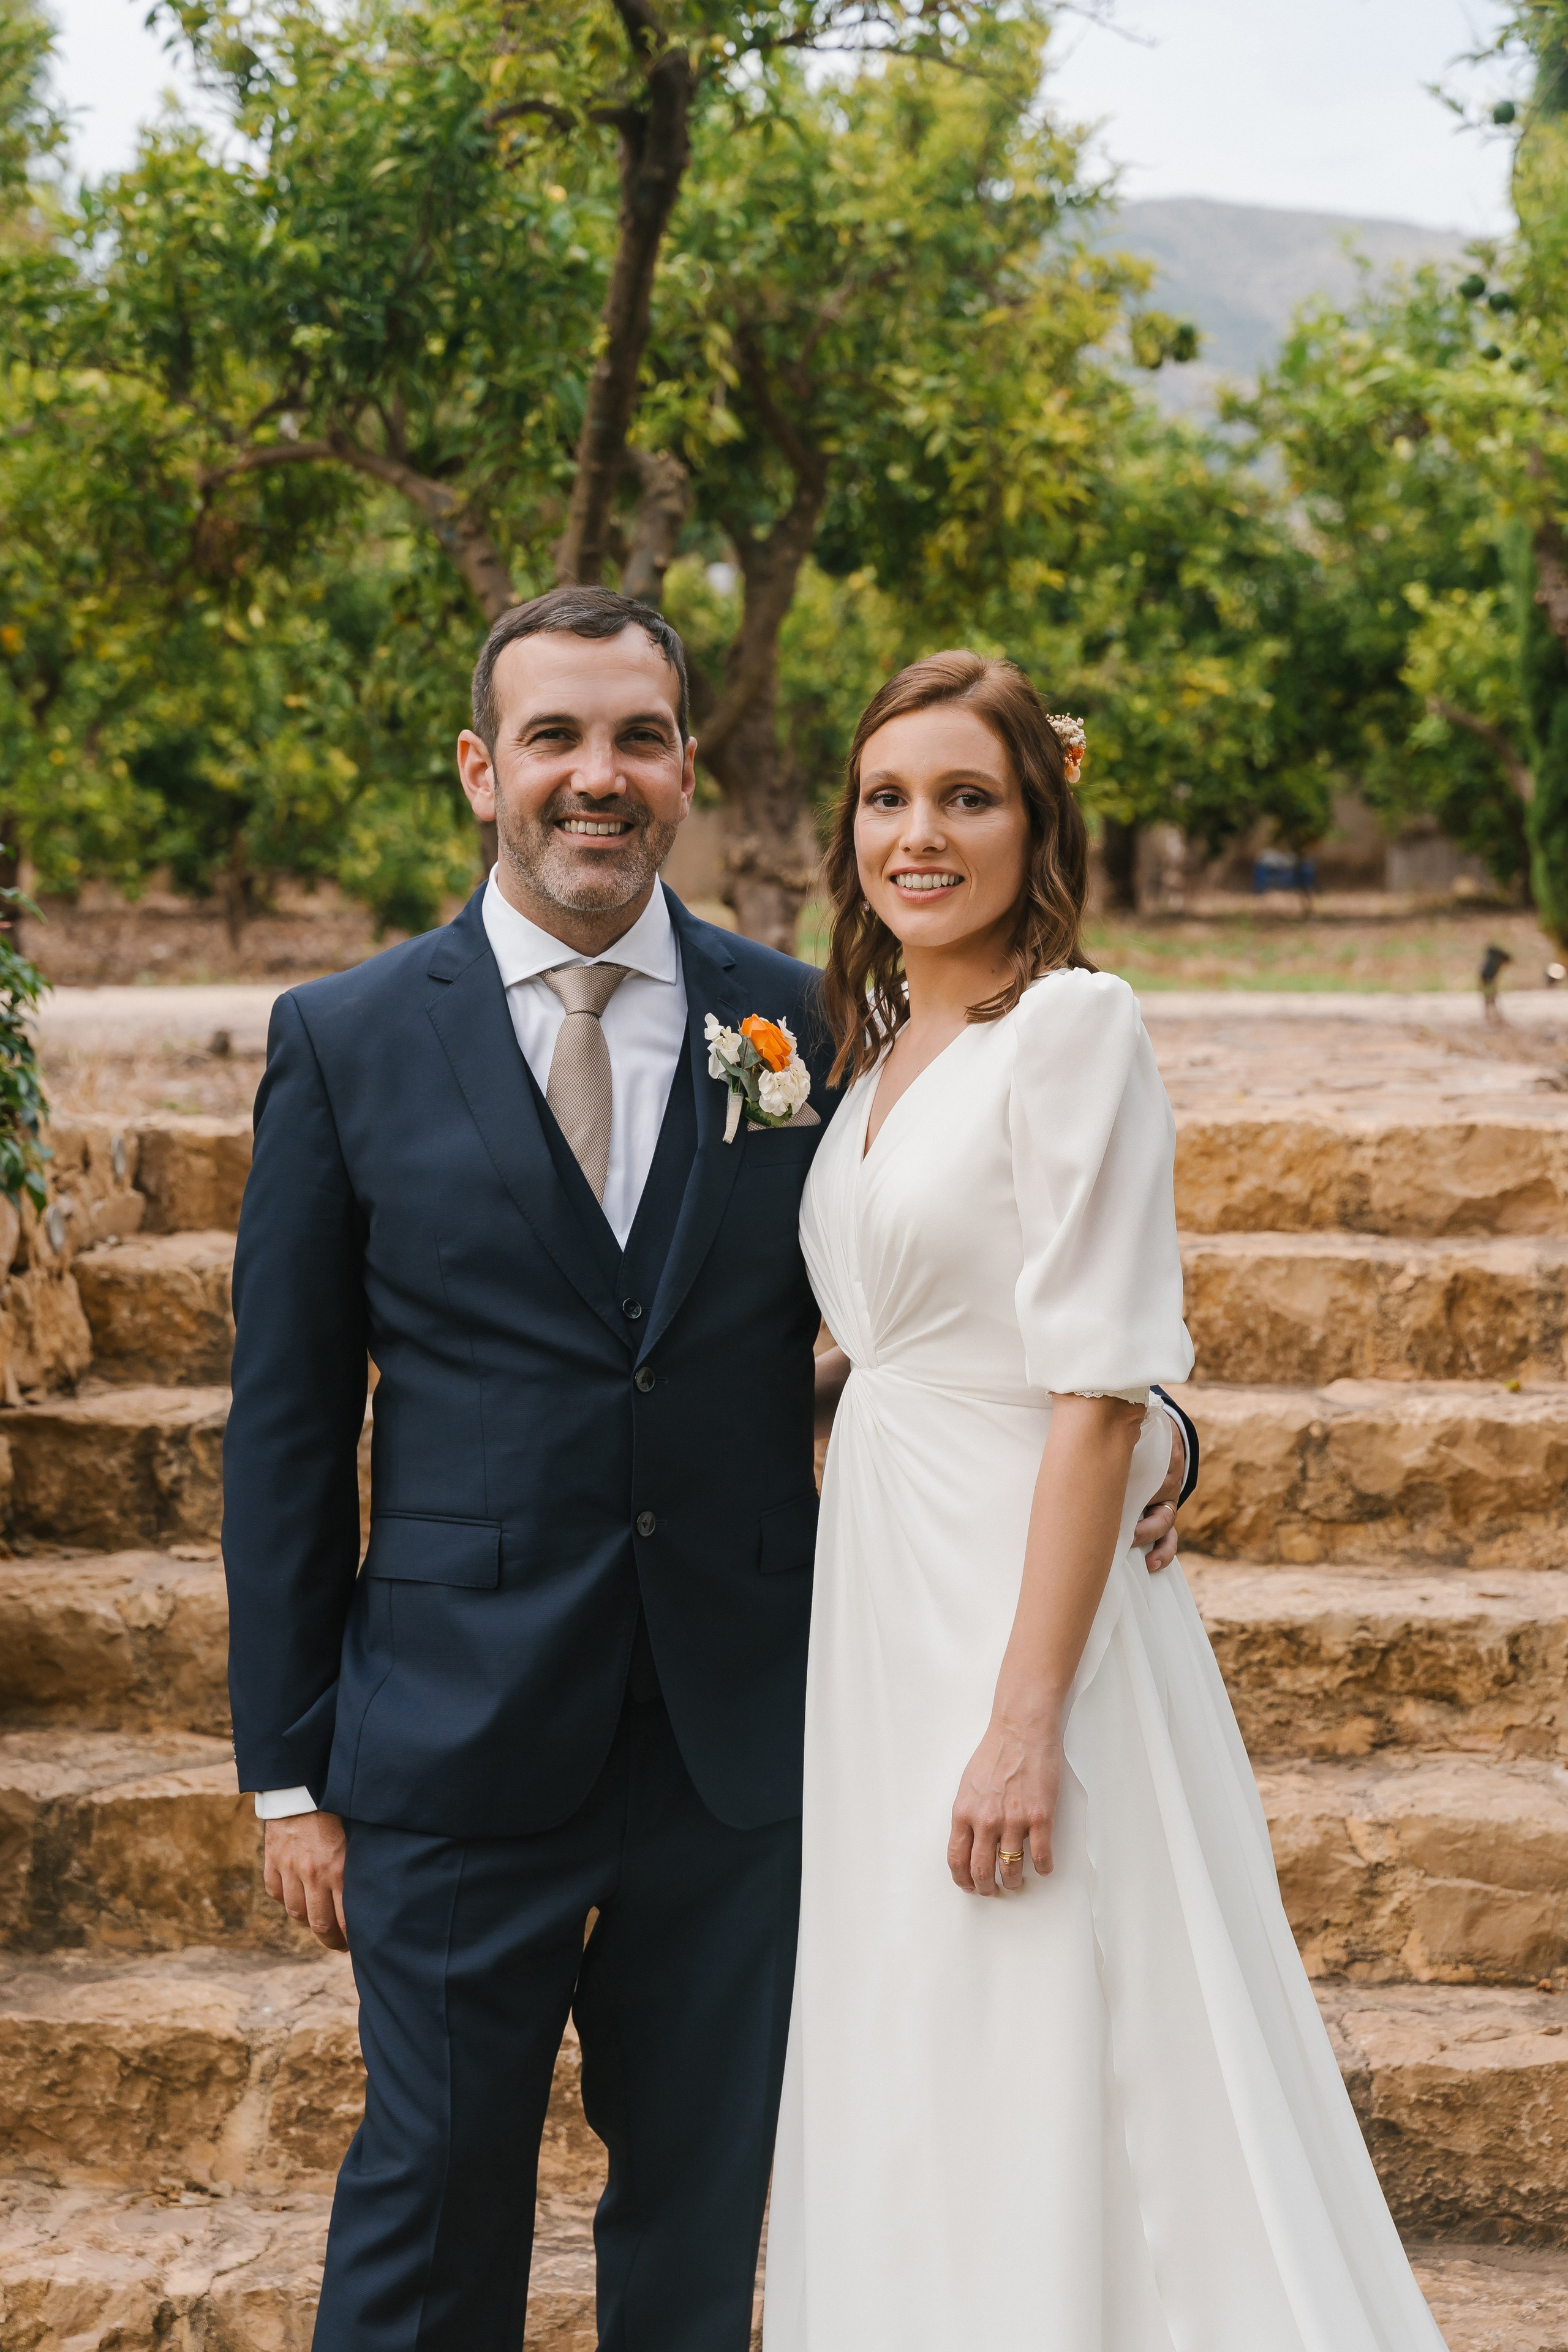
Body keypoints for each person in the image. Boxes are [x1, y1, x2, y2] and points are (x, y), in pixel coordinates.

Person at [222, 589, 1196, 2351]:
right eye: (555, 738)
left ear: (688, 770)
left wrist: (1155, 1427)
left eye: (641, 739)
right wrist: (289, 1770)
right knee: (429, 2208)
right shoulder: (345, 1038)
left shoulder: (808, 1019)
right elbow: (286, 1427)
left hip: (747, 1739)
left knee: (702, 2217)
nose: (597, 776)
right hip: (451, 1736)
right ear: (482, 770)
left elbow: (944, 1287)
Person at [764, 651, 1447, 2352]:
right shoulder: (874, 1042)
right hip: (884, 1583)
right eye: (887, 798)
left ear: (1039, 820)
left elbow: (1095, 1387)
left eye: (968, 797)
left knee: (1048, 1996)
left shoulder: (1072, 1026)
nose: (920, 835)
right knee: (917, 2012)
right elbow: (919, 1325)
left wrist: (1026, 1721)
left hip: (1022, 1606)